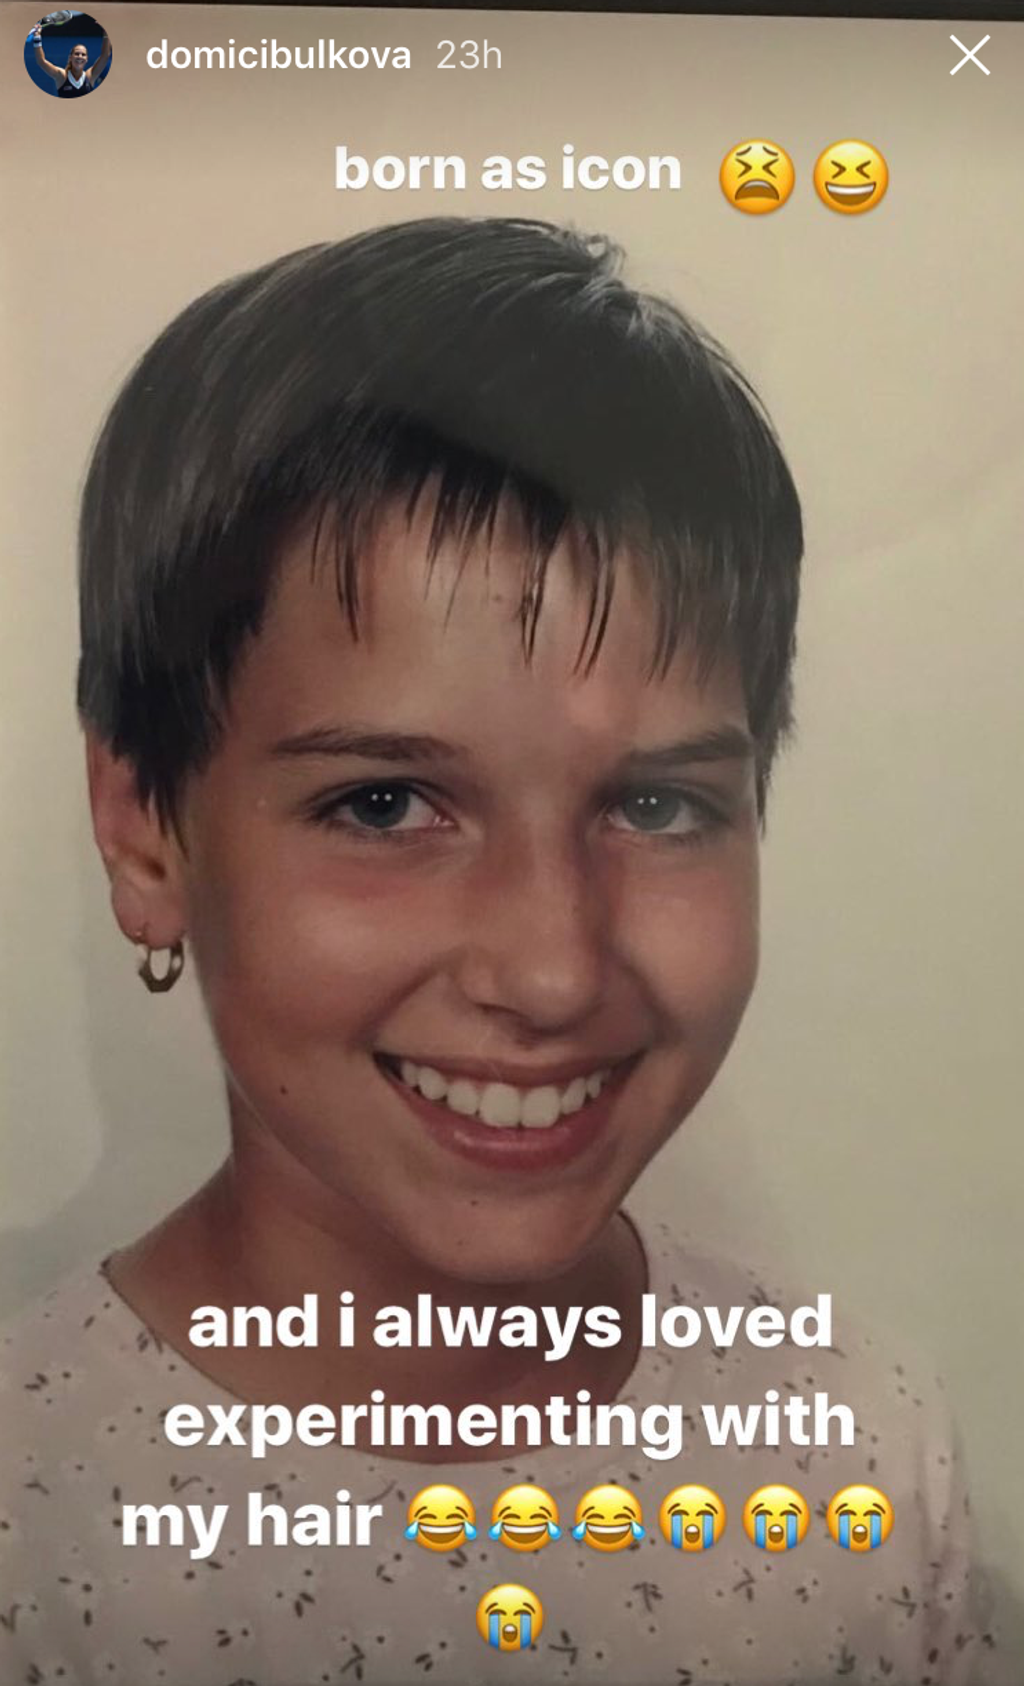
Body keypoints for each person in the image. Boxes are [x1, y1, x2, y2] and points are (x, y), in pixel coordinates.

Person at [0, 219, 1002, 1684]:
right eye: (384, 803)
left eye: (656, 805)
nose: (551, 972)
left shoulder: (863, 1446)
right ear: (147, 829)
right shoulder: (37, 1525)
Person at [31, 22, 110, 97]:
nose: (80, 56)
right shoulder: (62, 76)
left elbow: (105, 55)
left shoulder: (90, 76)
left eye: (83, 55)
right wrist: (37, 37)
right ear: (70, 58)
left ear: (86, 59)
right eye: (77, 54)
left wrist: (106, 32)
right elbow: (41, 61)